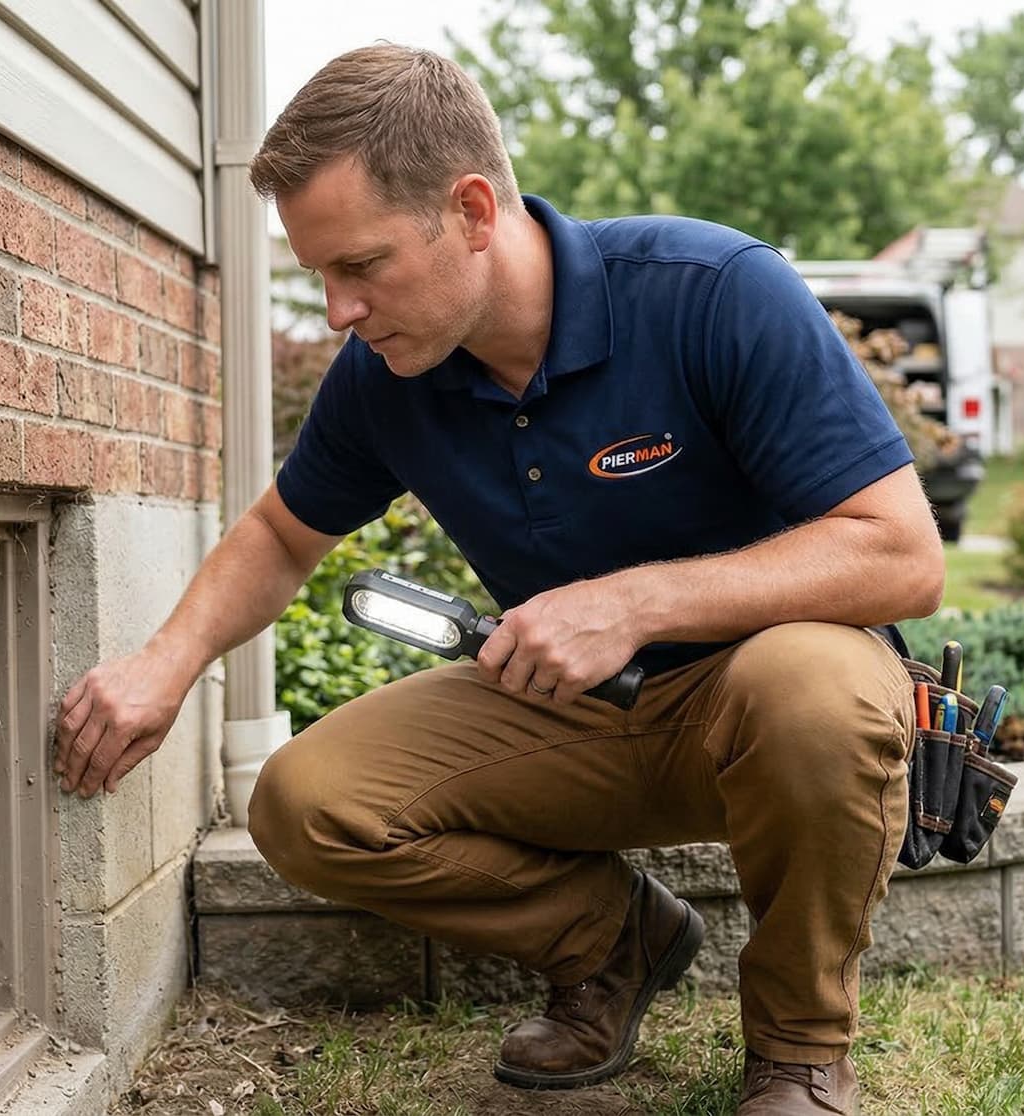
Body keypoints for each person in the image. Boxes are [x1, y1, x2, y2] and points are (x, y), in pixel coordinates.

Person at [53, 44, 944, 1115]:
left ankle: (799, 1048)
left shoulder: (710, 293)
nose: (338, 309)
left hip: (755, 702)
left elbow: (901, 552)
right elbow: (282, 536)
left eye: (361, 265)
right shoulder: (386, 377)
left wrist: (631, 601)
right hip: (565, 712)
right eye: (318, 276)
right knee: (306, 805)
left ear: (471, 209)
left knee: (814, 694)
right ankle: (616, 943)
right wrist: (164, 663)